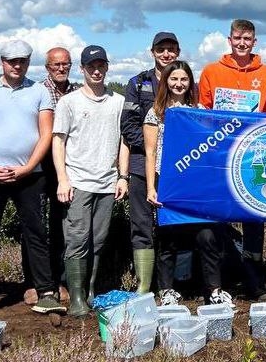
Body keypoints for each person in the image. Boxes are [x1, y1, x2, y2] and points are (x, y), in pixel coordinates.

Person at [0, 40, 64, 319]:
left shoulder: (39, 91)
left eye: (22, 61)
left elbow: (46, 134)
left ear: (28, 62)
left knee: (36, 234)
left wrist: (28, 167)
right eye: (11, 61)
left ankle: (46, 293)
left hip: (29, 176)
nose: (17, 66)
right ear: (2, 62)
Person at [198, 19, 266, 298]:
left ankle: (254, 281)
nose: (242, 43)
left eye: (247, 38)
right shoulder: (211, 72)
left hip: (253, 157)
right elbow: (203, 114)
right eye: (237, 38)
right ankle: (218, 280)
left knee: (254, 218)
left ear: (254, 42)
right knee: (216, 219)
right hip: (219, 157)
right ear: (229, 39)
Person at [143, 61, 232, 306]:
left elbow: (212, 144)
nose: (178, 84)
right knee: (169, 238)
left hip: (196, 183)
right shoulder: (156, 112)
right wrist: (151, 187)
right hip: (168, 181)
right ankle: (167, 291)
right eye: (174, 79)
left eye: (184, 79)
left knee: (207, 236)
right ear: (166, 82)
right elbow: (150, 152)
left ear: (190, 82)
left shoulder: (199, 109)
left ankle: (213, 289)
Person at [53, 45, 129, 317]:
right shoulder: (69, 102)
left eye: (101, 66)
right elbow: (58, 141)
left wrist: (122, 176)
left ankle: (90, 291)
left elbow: (124, 142)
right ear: (82, 69)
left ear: (107, 67)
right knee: (77, 240)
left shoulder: (118, 102)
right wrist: (63, 179)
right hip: (78, 182)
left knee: (99, 240)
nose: (96, 71)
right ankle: (75, 298)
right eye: (91, 67)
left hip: (108, 183)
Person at [121, 31, 182, 294]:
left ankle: (170, 283)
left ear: (177, 52)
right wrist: (155, 147)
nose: (166, 54)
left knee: (172, 225)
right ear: (152, 52)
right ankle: (144, 285)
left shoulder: (185, 81)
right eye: (161, 49)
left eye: (171, 49)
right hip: (140, 166)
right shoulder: (138, 83)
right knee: (142, 225)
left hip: (176, 169)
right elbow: (128, 125)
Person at [27, 46, 80, 305]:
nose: (61, 69)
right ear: (47, 67)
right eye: (55, 65)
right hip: (38, 166)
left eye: (65, 65)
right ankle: (34, 283)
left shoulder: (78, 92)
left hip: (68, 167)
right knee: (35, 225)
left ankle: (59, 281)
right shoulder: (36, 92)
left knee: (62, 226)